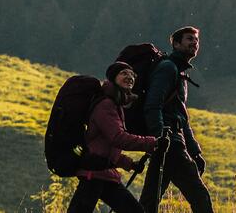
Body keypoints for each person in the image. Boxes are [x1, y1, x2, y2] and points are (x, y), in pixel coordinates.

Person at [68, 62, 164, 213]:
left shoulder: (115, 105)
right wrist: (152, 143)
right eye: (124, 73)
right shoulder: (106, 104)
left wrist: (130, 164)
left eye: (132, 75)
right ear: (113, 78)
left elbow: (106, 148)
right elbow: (118, 138)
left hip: (103, 174)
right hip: (93, 174)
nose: (129, 77)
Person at [140, 26, 212, 213]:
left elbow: (182, 117)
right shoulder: (168, 68)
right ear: (176, 43)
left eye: (196, 40)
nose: (194, 43)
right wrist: (160, 137)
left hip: (167, 142)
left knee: (149, 201)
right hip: (169, 142)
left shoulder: (178, 72)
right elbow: (152, 105)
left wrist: (194, 151)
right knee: (200, 196)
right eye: (189, 39)